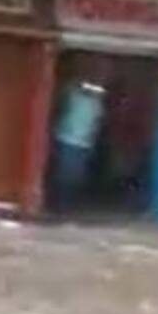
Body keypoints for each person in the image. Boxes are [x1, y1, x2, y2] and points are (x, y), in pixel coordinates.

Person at [49, 74, 104, 213]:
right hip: (68, 141)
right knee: (65, 175)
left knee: (73, 177)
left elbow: (96, 124)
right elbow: (69, 87)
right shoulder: (76, 97)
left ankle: (65, 205)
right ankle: (60, 204)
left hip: (79, 144)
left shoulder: (95, 103)